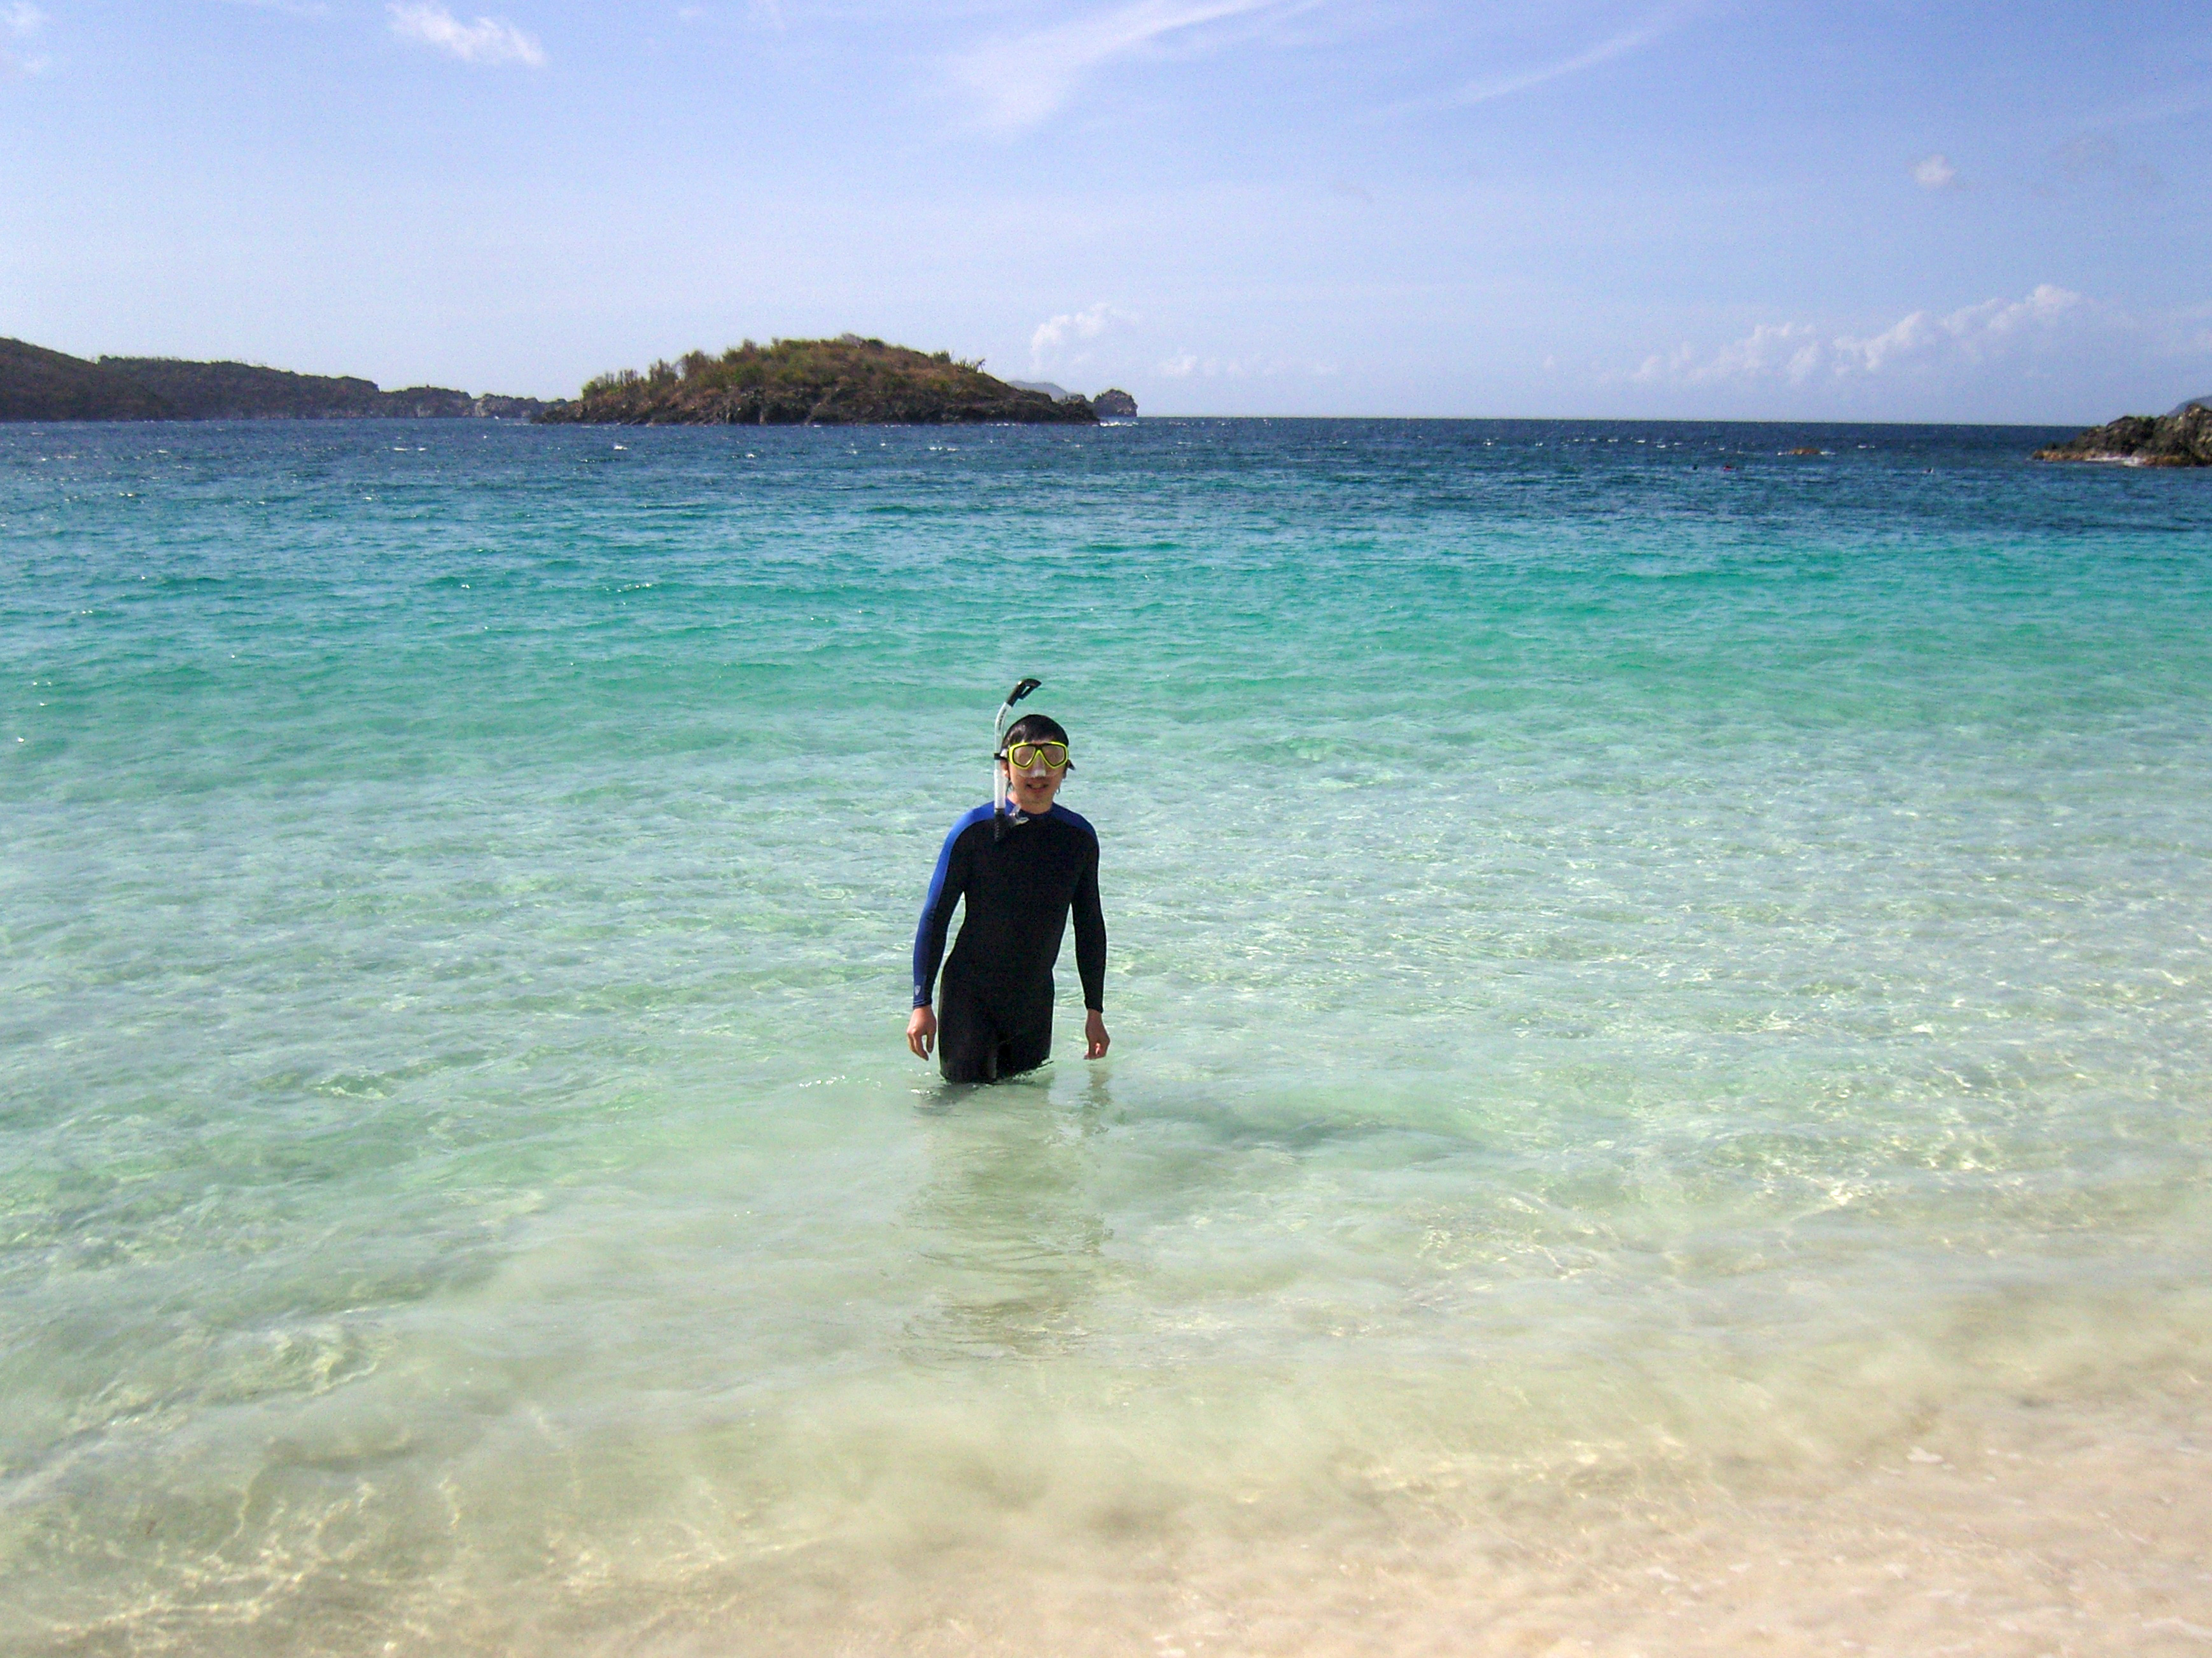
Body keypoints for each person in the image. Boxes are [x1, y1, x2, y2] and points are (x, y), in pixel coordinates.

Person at [907, 713, 1110, 1082]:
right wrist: (921, 1004)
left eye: (1052, 757)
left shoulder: (1078, 838)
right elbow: (936, 916)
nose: (1038, 772)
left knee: (1027, 1118)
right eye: (1025, 758)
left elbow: (1090, 925)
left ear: (1066, 768)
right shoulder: (973, 832)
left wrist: (1094, 1010)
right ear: (1004, 768)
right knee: (963, 1112)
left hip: (1033, 1002)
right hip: (970, 997)